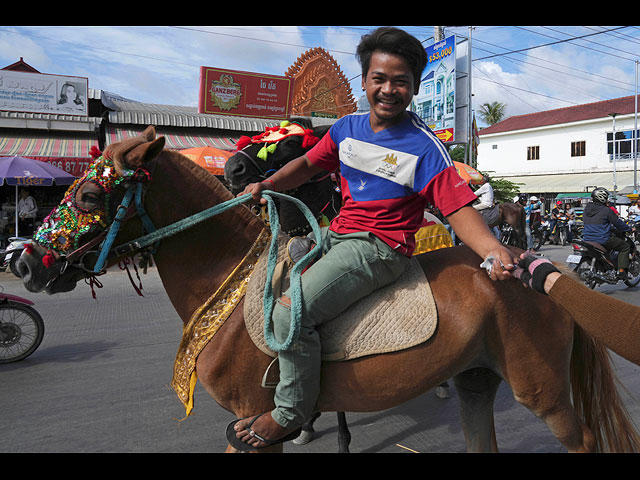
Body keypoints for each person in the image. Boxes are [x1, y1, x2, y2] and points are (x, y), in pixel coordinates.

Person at [229, 26, 519, 451]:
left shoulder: (423, 147)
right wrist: (267, 182)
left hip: (379, 249)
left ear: (415, 87)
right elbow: (308, 165)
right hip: (337, 234)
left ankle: (291, 413)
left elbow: (456, 208)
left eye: (400, 81)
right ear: (363, 80)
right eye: (379, 79)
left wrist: (492, 249)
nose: (388, 89)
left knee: (289, 313)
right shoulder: (346, 128)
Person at [514, 252, 640, 366]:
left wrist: (549, 280)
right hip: (601, 240)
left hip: (591, 240)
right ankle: (622, 270)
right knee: (624, 247)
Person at [583, 187, 633, 279]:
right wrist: (629, 229)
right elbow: (618, 223)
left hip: (586, 238)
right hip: (602, 239)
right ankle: (621, 272)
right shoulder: (606, 210)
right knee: (625, 246)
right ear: (603, 198)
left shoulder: (586, 209)